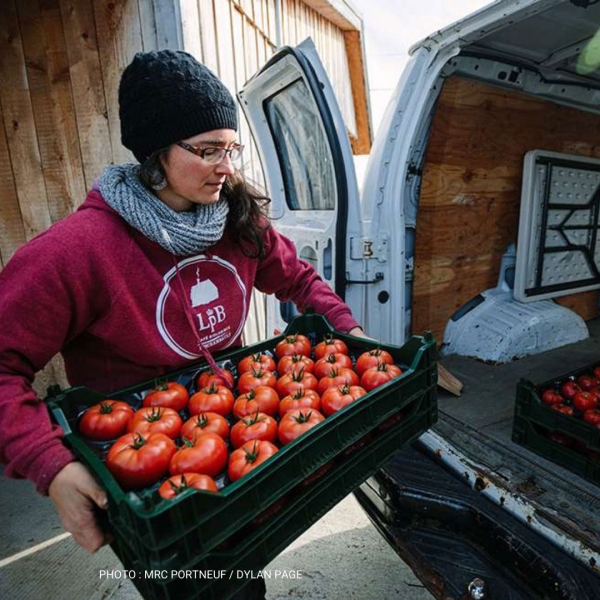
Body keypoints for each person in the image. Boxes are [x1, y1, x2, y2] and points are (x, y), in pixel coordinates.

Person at [0, 50, 364, 594]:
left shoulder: (237, 218)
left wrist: (346, 328)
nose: (227, 166)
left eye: (231, 148)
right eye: (207, 150)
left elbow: (297, 279)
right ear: (155, 155)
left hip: (231, 428)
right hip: (146, 462)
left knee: (241, 573)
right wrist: (47, 462)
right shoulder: (77, 252)